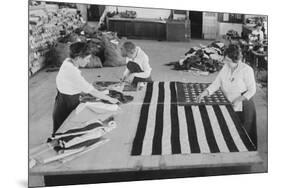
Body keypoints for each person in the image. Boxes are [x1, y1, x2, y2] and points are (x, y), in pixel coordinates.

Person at [197, 44, 257, 146]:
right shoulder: (226, 67)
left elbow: (252, 90)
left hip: (243, 104)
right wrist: (205, 92)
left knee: (244, 132)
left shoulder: (246, 70)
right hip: (229, 102)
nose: (225, 62)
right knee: (230, 128)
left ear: (236, 60)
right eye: (225, 60)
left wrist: (238, 99)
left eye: (228, 60)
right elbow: (217, 82)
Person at [52, 42, 119, 135]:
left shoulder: (68, 61)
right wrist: (110, 99)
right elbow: (91, 91)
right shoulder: (72, 71)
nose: (88, 61)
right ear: (78, 58)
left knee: (64, 128)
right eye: (87, 59)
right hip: (67, 103)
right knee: (64, 130)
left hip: (63, 98)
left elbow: (77, 84)